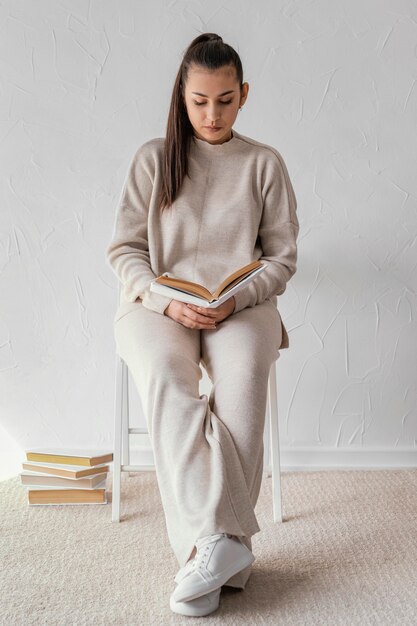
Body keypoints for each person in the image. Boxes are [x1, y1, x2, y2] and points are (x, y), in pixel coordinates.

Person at [106, 32, 299, 618]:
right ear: (181, 97)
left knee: (240, 382)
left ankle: (209, 549)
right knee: (167, 375)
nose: (211, 114)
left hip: (239, 305)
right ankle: (223, 545)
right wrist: (164, 299)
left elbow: (282, 259)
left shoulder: (264, 163)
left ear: (243, 95)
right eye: (199, 101)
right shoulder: (152, 158)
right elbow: (125, 251)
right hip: (157, 304)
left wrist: (236, 300)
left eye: (224, 100)